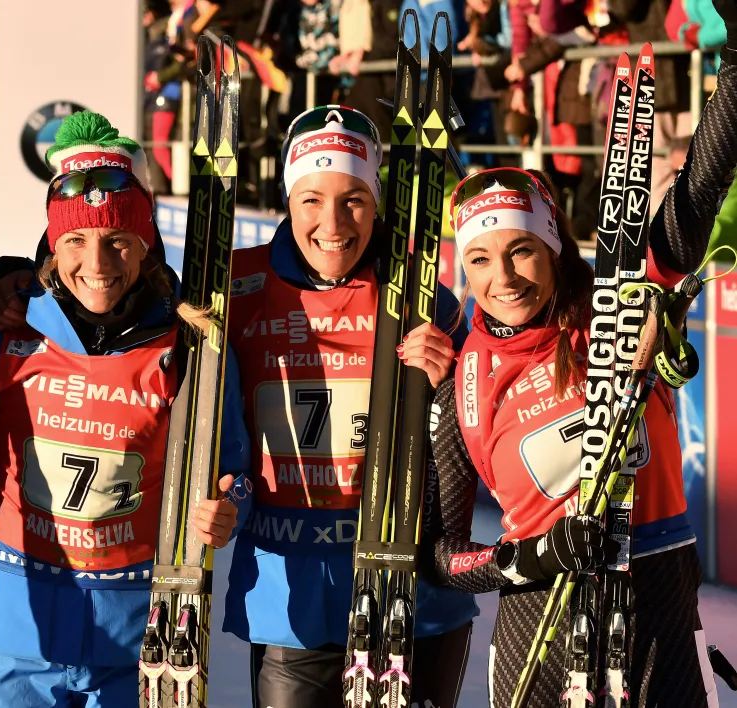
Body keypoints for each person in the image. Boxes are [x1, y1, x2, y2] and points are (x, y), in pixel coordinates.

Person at [425, 28, 737, 697]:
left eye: (521, 251)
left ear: (555, 250)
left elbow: (698, 188)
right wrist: (535, 554)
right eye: (479, 258)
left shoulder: (621, 304)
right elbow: (443, 559)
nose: (501, 277)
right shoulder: (463, 382)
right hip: (535, 619)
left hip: (654, 591)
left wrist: (734, 62)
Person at [0, 111, 252, 708]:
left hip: (137, 637)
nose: (98, 262)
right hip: (17, 629)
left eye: (118, 240)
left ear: (146, 245)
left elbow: (235, 467)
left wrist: (228, 508)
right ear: (51, 246)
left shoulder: (187, 346)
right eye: (76, 241)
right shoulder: (12, 332)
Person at [221, 105, 478, 708]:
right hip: (292, 589)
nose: (332, 223)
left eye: (354, 199)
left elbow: (480, 442)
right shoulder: (238, 285)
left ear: (379, 199)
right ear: (287, 197)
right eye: (311, 199)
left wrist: (447, 387)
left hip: (412, 592)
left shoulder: (420, 295)